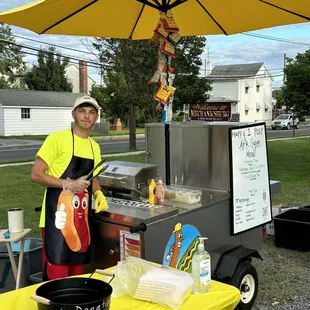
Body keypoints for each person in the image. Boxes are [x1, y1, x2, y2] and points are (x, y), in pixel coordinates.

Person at [30, 95, 108, 281]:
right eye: (82, 111)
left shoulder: (94, 147)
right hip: (57, 219)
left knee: (76, 279)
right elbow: (36, 174)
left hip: (80, 221)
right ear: (73, 114)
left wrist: (98, 193)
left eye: (91, 112)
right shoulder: (57, 139)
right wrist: (68, 184)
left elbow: (93, 176)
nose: (86, 116)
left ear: (96, 117)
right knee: (56, 279)